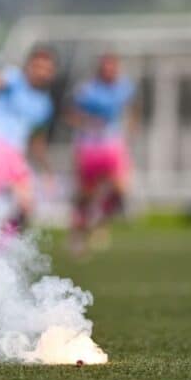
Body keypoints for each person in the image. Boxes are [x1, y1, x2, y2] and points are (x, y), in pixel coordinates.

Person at [0, 47, 57, 234]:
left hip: (14, 154)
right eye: (37, 67)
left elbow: (37, 142)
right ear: (28, 67)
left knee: (26, 207)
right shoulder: (15, 79)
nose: (41, 72)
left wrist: (47, 170)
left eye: (46, 69)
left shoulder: (45, 105)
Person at [67, 53, 136, 257]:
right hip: (89, 146)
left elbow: (132, 110)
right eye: (106, 67)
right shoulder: (87, 90)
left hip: (112, 144)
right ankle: (78, 232)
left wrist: (130, 128)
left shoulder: (125, 88)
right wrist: (87, 122)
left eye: (113, 67)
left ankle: (100, 221)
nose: (110, 71)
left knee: (121, 189)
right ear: (100, 69)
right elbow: (70, 114)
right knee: (86, 194)